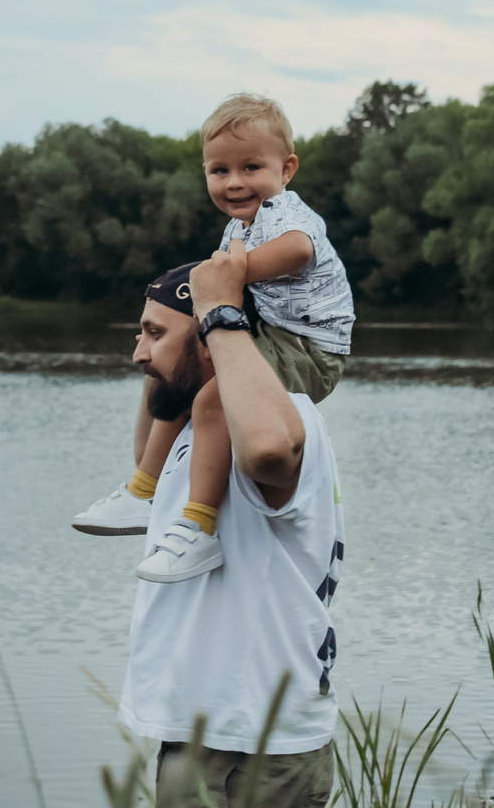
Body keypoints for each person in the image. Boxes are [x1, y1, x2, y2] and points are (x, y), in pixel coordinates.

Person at [114, 241, 346, 808]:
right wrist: (184, 352)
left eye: (149, 332)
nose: (134, 351)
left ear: (216, 344)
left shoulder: (273, 427)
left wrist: (219, 312)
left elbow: (269, 447)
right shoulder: (201, 431)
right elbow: (143, 455)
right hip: (235, 745)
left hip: (236, 756)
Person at [71, 94, 354, 584]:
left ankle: (198, 527)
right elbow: (215, 285)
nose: (235, 182)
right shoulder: (236, 229)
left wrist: (226, 277)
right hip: (271, 333)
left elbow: (297, 252)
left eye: (251, 166)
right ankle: (144, 488)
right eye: (219, 171)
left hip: (309, 348)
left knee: (212, 402)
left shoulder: (287, 214)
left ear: (286, 170)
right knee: (184, 374)